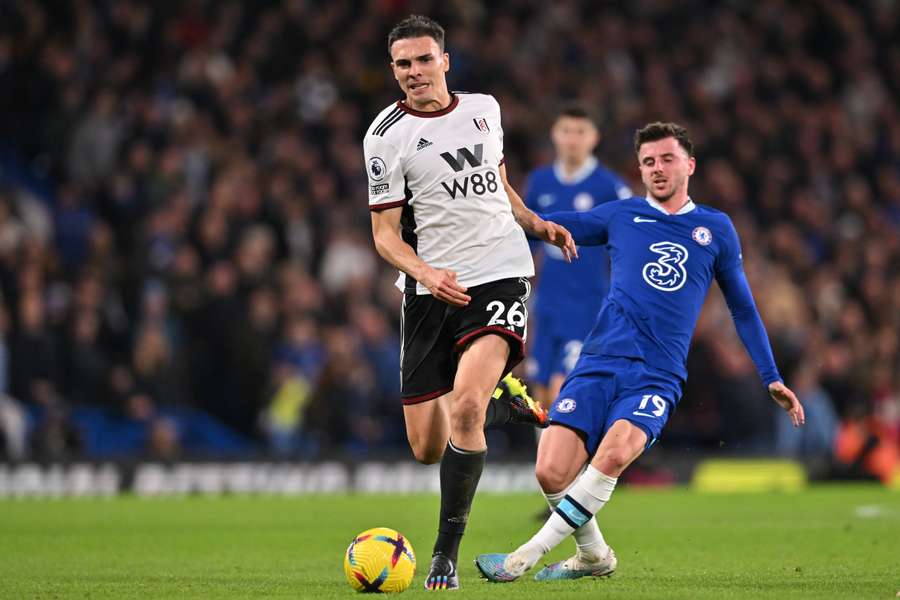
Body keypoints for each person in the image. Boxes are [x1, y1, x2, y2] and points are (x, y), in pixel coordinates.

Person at [475, 122, 805, 583]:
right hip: (597, 361)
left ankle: (522, 557)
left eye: (667, 159)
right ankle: (594, 555)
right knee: (550, 471)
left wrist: (770, 375)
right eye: (648, 162)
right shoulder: (622, 216)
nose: (657, 169)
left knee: (612, 455)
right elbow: (538, 223)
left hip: (656, 373)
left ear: (689, 165)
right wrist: (501, 188)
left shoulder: (716, 229)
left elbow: (743, 309)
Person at [364, 15, 577, 591]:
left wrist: (534, 222)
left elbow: (495, 179)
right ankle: (501, 397)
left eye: (424, 60)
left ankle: (444, 553)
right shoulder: (385, 137)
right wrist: (425, 273)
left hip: (501, 271)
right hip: (432, 288)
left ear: (445, 60)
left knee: (464, 408)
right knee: (427, 448)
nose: (414, 73)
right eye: (403, 64)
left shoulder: (484, 108)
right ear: (394, 70)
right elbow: (385, 237)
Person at [524, 104, 632, 411]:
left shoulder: (610, 187)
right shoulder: (539, 182)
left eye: (580, 132)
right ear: (554, 135)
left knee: (565, 387)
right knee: (540, 392)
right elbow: (524, 240)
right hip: (546, 304)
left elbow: (629, 244)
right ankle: (544, 458)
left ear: (594, 137)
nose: (573, 139)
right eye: (566, 131)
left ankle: (570, 457)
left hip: (587, 305)